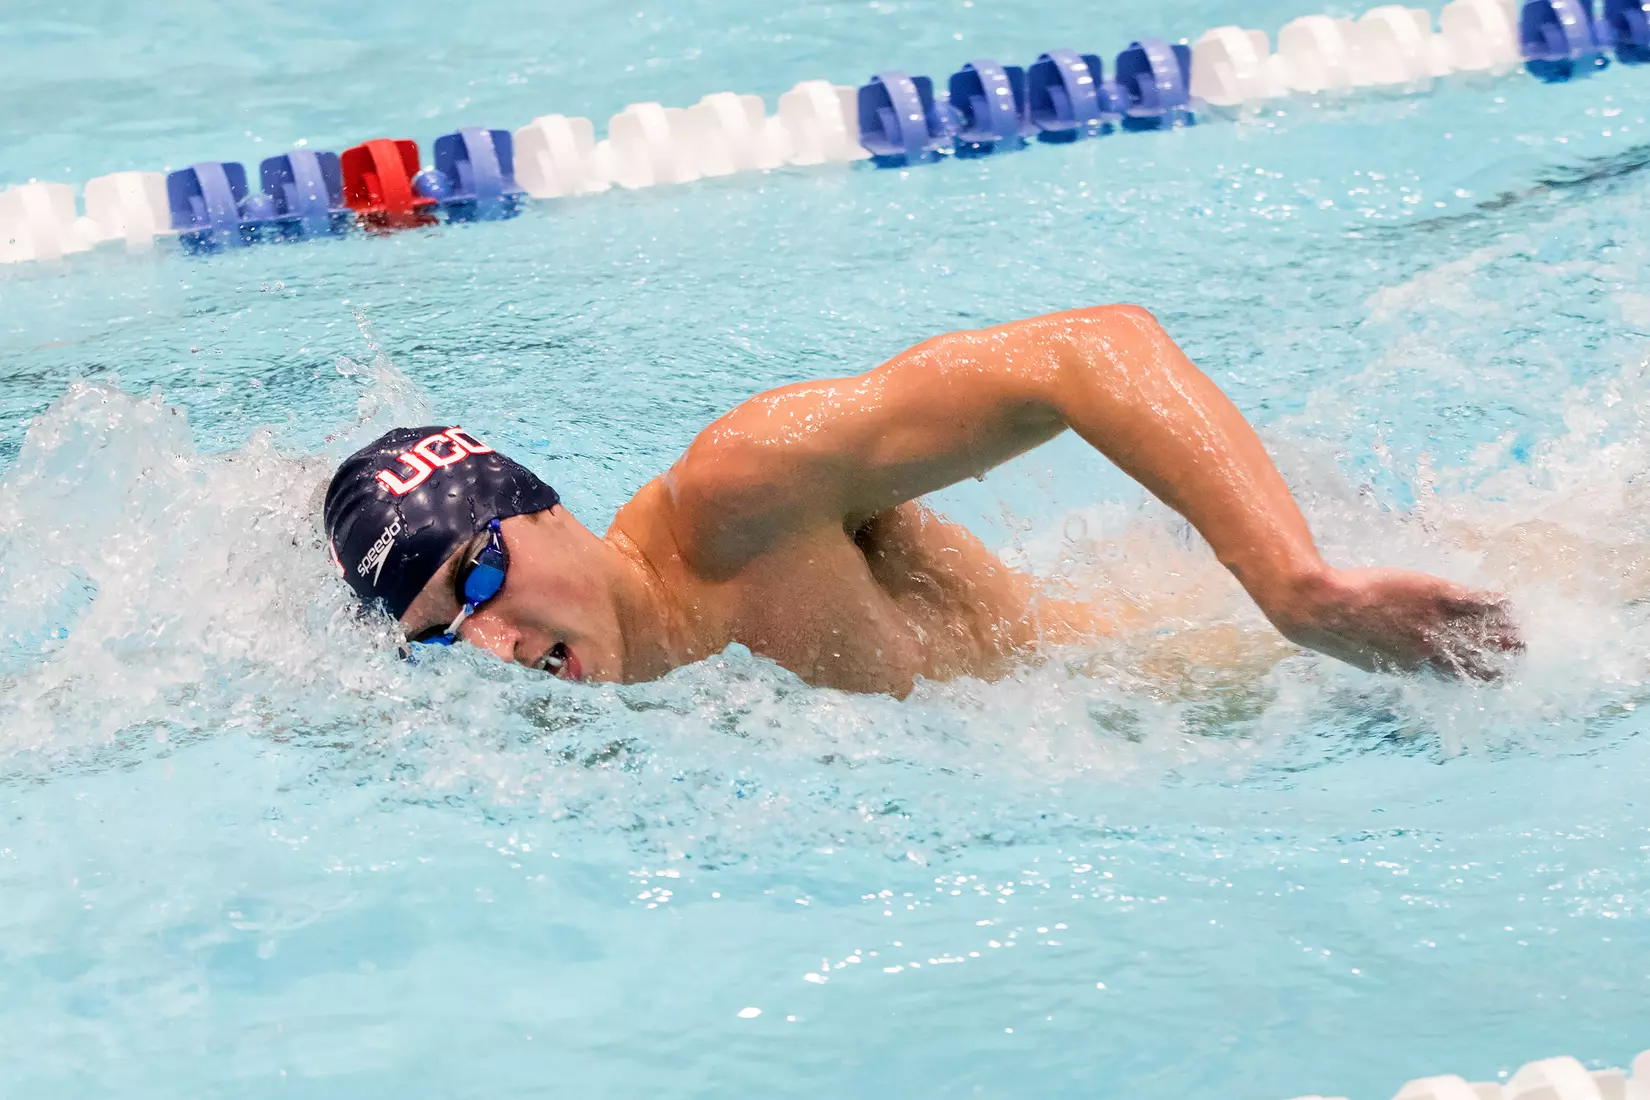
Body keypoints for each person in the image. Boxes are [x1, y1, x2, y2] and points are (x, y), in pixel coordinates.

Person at [324, 305, 1520, 695]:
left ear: (535, 506)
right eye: (444, 632)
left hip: (1253, 657)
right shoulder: (563, 710)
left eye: (477, 581)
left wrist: (1296, 588)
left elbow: (1089, 348)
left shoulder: (739, 494)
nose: (494, 640)